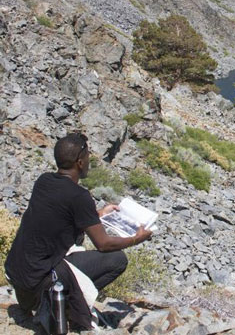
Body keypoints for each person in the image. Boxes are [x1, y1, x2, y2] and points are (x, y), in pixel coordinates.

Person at [4, 133, 153, 330]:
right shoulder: (79, 196)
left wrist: (98, 214)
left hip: (19, 279)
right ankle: (65, 306)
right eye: (88, 156)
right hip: (39, 286)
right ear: (80, 162)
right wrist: (136, 239)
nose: (90, 159)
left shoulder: (44, 181)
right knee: (118, 260)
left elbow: (59, 217)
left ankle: (53, 300)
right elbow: (104, 244)